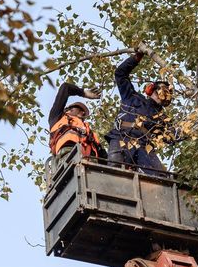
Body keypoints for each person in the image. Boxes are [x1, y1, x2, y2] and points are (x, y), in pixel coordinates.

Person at [106, 43, 183, 173]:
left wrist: (194, 126)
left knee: (161, 178)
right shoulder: (132, 97)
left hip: (144, 146)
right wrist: (137, 56)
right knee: (114, 172)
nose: (162, 95)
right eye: (161, 91)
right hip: (121, 138)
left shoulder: (162, 118)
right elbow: (120, 74)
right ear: (152, 90)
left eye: (166, 94)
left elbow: (172, 137)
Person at [48, 82, 106, 160]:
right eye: (79, 109)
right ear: (68, 110)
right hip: (69, 155)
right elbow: (66, 87)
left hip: (90, 162)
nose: (82, 113)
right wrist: (83, 93)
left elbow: (102, 154)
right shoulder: (57, 117)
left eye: (83, 113)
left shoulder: (89, 132)